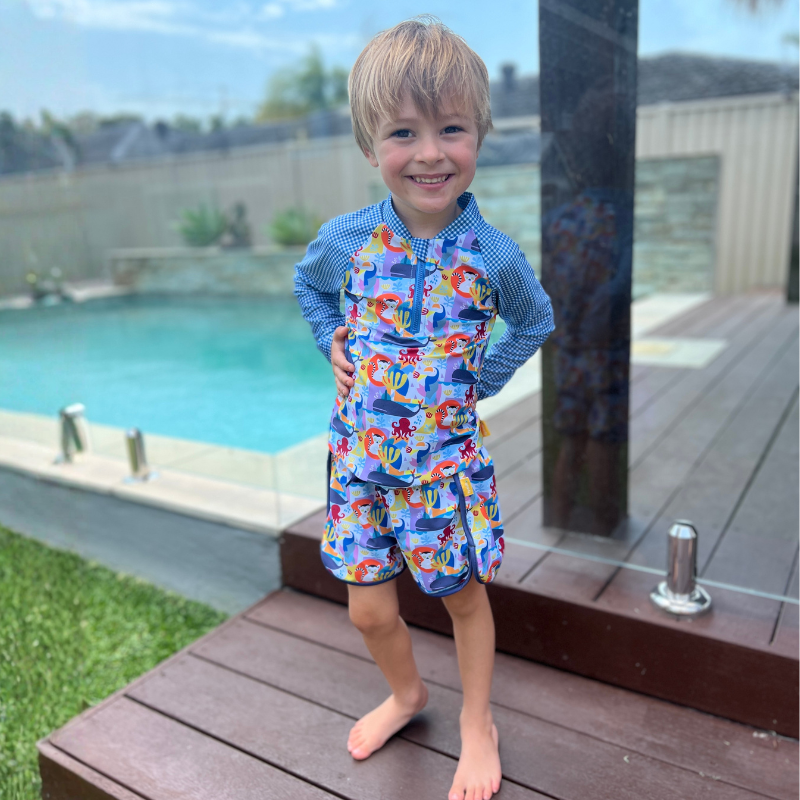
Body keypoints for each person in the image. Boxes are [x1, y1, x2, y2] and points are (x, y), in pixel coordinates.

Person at [294, 16, 554, 800]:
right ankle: (409, 694)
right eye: (404, 132)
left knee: (460, 598)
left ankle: (479, 723)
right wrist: (330, 336)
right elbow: (309, 287)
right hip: (360, 464)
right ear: (370, 146)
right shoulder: (348, 240)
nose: (431, 152)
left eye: (452, 128)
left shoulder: (492, 254)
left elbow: (535, 319)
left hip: (442, 471)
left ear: (480, 133)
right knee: (368, 613)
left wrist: (478, 381)